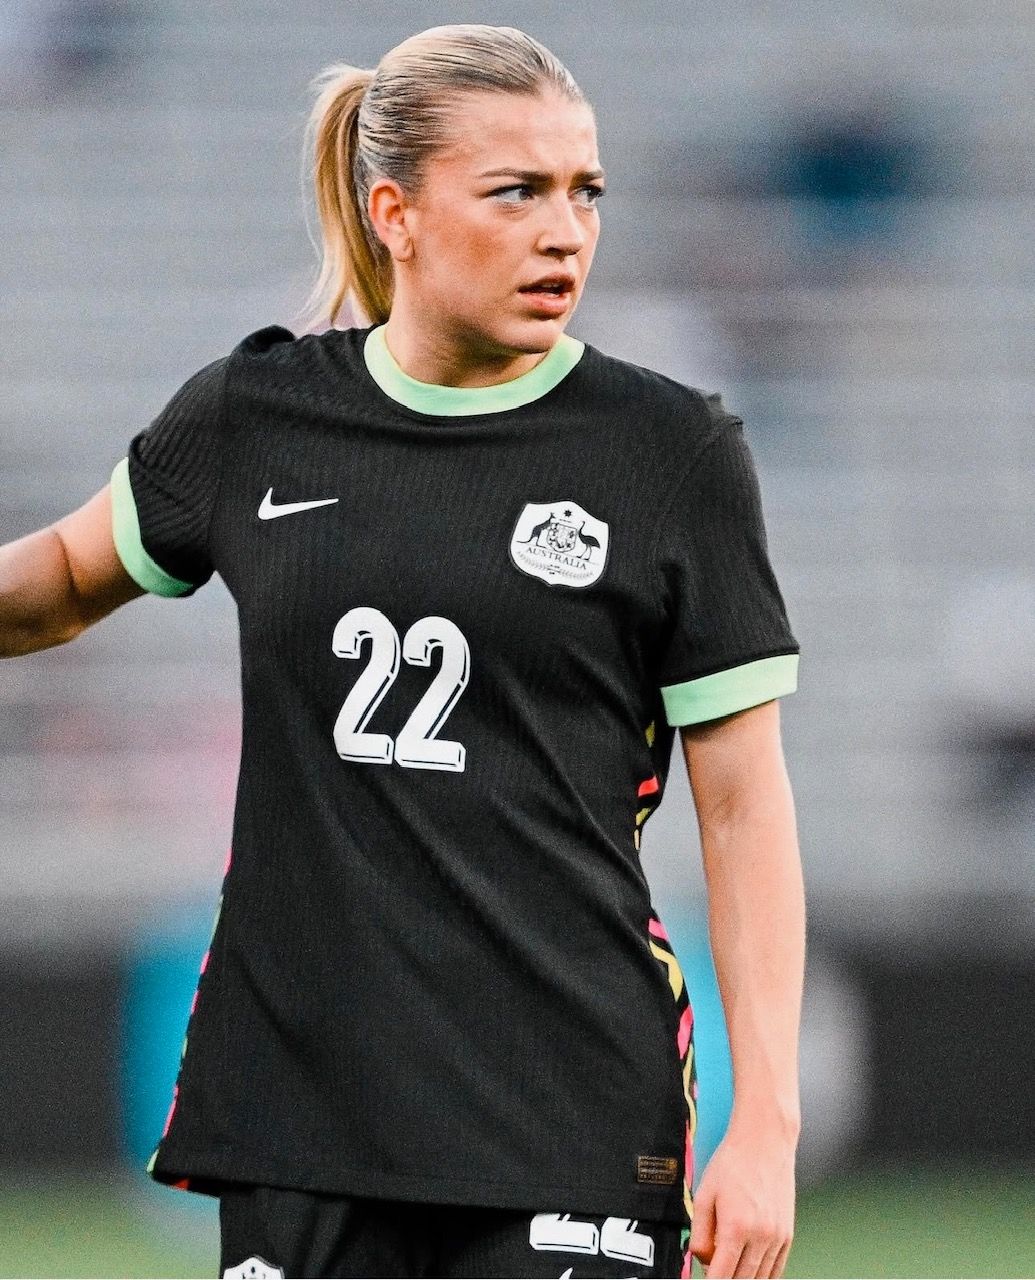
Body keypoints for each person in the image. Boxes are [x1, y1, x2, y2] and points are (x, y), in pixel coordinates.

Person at [0, 23, 805, 1280]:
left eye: (585, 191)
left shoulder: (669, 452)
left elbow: (745, 805)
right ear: (396, 213)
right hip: (304, 1110)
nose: (565, 231)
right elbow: (55, 583)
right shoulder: (258, 415)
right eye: (517, 191)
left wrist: (768, 1120)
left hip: (569, 1103)